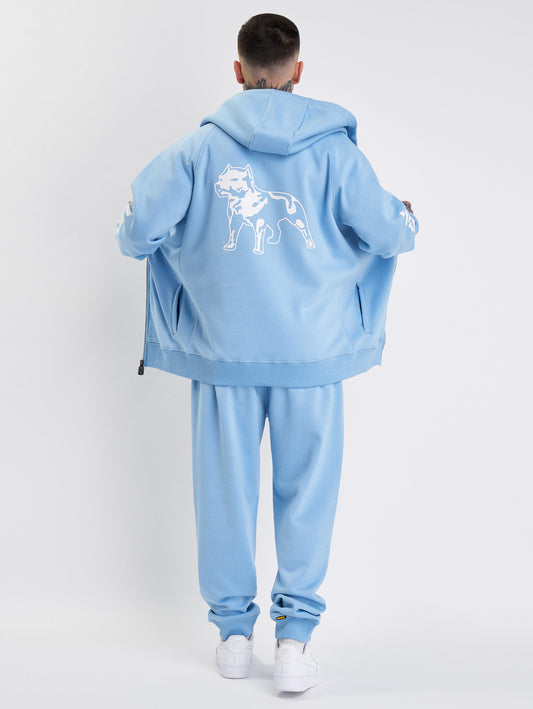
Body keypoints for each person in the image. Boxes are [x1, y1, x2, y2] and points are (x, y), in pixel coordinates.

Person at [114, 12, 419, 694]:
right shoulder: (336, 154)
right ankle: (293, 642)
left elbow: (136, 235)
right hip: (312, 356)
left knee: (223, 492)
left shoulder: (198, 151)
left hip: (224, 355)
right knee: (307, 495)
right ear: (298, 71)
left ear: (238, 70)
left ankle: (231, 636)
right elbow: (391, 235)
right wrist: (408, 214)